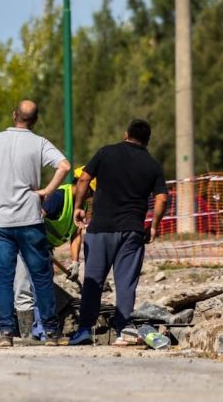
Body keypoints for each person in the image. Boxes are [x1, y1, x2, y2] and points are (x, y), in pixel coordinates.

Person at [0, 100, 71, 347]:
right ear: (35, 120)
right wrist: (47, 190)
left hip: (1, 223)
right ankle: (51, 333)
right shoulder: (39, 143)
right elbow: (65, 166)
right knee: (41, 277)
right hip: (30, 220)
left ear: (14, 114)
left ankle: (6, 332)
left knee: (4, 278)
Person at [68, 119, 167, 346]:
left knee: (93, 281)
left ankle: (84, 330)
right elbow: (161, 198)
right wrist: (153, 225)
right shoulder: (152, 165)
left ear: (125, 134)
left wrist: (79, 206)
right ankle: (123, 331)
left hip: (100, 229)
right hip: (132, 231)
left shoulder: (106, 153)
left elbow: (84, 178)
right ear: (147, 141)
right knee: (126, 283)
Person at [0, 195, 40, 342]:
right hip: (11, 242)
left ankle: (3, 336)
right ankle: (27, 336)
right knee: (22, 289)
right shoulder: (15, 189)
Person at [42, 166, 97, 281]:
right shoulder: (59, 196)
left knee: (46, 279)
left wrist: (75, 262)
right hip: (35, 245)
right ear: (80, 183)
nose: (91, 195)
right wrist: (38, 245)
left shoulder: (82, 206)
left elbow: (76, 234)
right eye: (90, 191)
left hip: (47, 247)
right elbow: (36, 220)